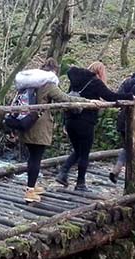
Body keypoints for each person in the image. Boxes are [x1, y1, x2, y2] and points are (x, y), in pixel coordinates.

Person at [16, 58, 87, 203]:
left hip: (26, 122)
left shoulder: (29, 84)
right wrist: (87, 101)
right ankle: (30, 191)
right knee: (36, 157)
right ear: (54, 71)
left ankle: (32, 185)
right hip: (39, 125)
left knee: (32, 156)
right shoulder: (48, 84)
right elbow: (64, 98)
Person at [55, 62, 134, 191]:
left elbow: (68, 99)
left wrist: (64, 122)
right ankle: (80, 183)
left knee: (78, 150)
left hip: (71, 121)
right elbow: (110, 97)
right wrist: (129, 96)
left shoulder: (75, 82)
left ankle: (63, 172)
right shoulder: (95, 82)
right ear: (100, 72)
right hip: (86, 122)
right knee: (84, 152)